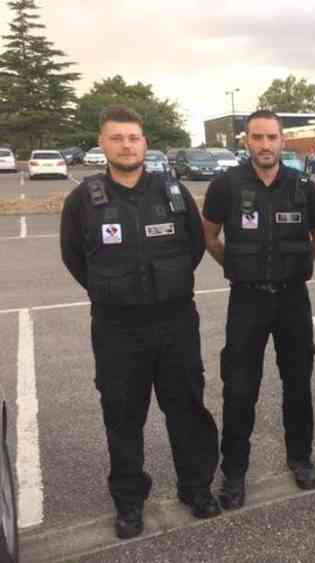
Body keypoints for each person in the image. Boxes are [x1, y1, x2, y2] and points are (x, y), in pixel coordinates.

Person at [60, 105, 220, 540]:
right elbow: (75, 258)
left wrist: (165, 288)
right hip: (117, 330)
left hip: (175, 323)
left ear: (144, 143)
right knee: (123, 416)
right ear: (103, 144)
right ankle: (129, 500)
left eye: (133, 137)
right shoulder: (84, 200)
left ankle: (196, 487)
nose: (126, 145)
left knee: (186, 408)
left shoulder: (172, 192)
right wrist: (116, 292)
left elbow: (193, 248)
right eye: (117, 138)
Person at [202, 110, 315, 511]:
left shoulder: (304, 187)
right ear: (246, 141)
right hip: (247, 300)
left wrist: (298, 265)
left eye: (272, 137)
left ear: (283, 140)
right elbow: (210, 235)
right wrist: (236, 267)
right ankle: (234, 471)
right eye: (257, 137)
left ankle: (300, 457)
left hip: (292, 299)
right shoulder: (226, 186)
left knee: (298, 383)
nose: (265, 144)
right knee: (239, 388)